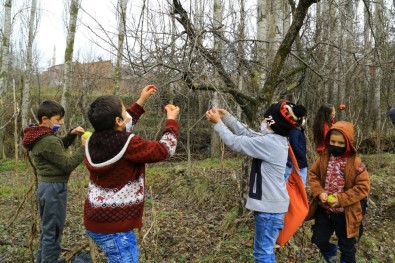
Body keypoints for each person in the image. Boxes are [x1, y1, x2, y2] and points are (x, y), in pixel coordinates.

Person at [83, 85, 179, 263]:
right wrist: (171, 121)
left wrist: (141, 100)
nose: (128, 111)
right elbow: (165, 149)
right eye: (123, 108)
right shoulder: (130, 144)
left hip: (95, 220)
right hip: (115, 227)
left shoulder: (93, 140)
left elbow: (122, 125)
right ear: (118, 121)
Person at [205, 101, 306, 262]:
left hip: (270, 211)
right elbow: (249, 133)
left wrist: (218, 123)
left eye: (266, 120)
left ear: (274, 123)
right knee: (265, 251)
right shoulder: (274, 139)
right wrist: (228, 118)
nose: (263, 122)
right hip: (271, 209)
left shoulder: (270, 143)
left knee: (262, 253)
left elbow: (235, 142)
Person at [22, 100, 86, 263]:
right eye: (58, 119)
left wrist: (71, 135)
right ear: (45, 119)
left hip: (45, 187)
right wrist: (84, 147)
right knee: (54, 231)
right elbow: (66, 165)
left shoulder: (38, 136)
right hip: (54, 189)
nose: (61, 123)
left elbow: (55, 150)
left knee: (48, 229)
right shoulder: (48, 140)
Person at [306, 121, 370, 263]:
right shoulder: (324, 158)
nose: (335, 145)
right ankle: (330, 251)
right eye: (332, 141)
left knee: (347, 247)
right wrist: (319, 192)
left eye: (340, 143)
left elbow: (363, 187)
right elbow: (313, 175)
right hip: (325, 211)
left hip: (346, 214)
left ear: (348, 143)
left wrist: (340, 199)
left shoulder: (356, 163)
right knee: (318, 239)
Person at [284, 117, 308, 185]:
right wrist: (302, 155)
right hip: (297, 162)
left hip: (296, 162)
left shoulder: (296, 131)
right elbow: (295, 145)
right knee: (298, 185)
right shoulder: (295, 131)